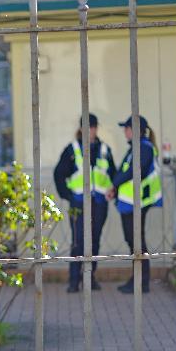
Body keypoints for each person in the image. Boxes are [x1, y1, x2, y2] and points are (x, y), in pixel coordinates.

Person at [52, 113, 117, 293]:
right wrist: (68, 196)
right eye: (87, 127)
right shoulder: (72, 150)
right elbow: (59, 174)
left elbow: (113, 175)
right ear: (81, 128)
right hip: (78, 204)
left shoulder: (104, 150)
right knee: (78, 242)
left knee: (94, 241)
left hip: (99, 204)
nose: (91, 130)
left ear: (97, 128)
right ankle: (74, 280)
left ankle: (90, 277)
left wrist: (114, 191)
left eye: (93, 127)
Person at [110, 114, 163, 294]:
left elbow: (134, 171)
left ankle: (141, 281)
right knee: (133, 241)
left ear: (136, 130)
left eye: (127, 127)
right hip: (129, 202)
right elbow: (124, 171)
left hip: (138, 202)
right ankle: (138, 279)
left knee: (136, 242)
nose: (124, 131)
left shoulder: (145, 148)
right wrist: (115, 188)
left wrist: (114, 185)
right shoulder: (135, 148)